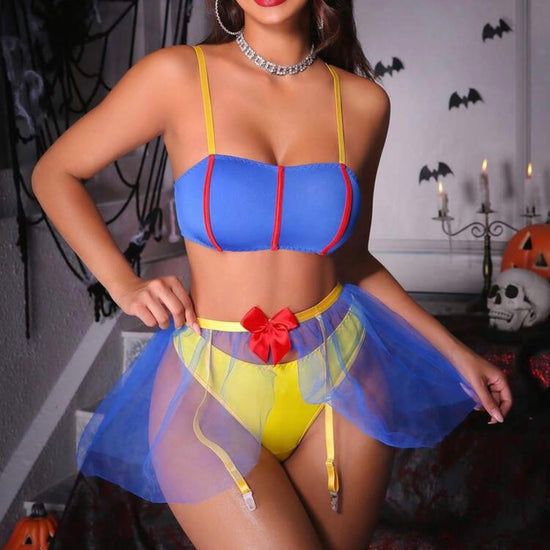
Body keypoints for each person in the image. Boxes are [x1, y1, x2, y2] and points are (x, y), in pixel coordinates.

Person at [31, 1, 513, 549]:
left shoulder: (364, 103)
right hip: (208, 382)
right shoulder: (176, 75)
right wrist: (125, 283)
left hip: (340, 376)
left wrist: (456, 353)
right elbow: (55, 172)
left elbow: (353, 261)